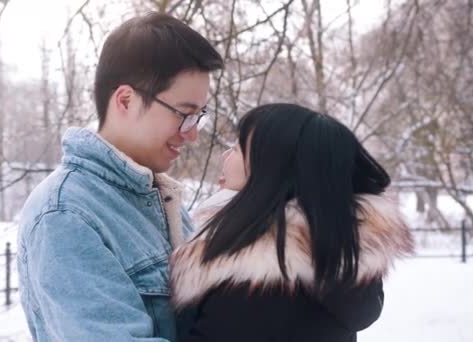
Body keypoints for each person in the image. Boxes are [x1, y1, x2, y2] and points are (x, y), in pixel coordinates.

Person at [16, 12, 223, 341]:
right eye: (185, 115)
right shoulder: (67, 216)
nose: (192, 134)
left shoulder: (160, 200)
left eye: (199, 116)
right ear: (126, 100)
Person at [170, 103, 414, 342]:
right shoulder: (330, 262)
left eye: (236, 148)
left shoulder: (257, 288)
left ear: (270, 170)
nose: (224, 155)